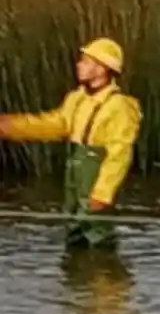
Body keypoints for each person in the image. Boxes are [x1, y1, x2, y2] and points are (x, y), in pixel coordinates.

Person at [0, 38, 142, 250]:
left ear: (102, 68)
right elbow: (56, 125)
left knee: (97, 234)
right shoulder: (77, 98)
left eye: (85, 61)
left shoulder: (120, 106)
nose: (78, 65)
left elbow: (119, 154)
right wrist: (11, 127)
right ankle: (77, 278)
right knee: (75, 232)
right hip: (75, 177)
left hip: (95, 178)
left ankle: (106, 278)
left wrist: (102, 193)